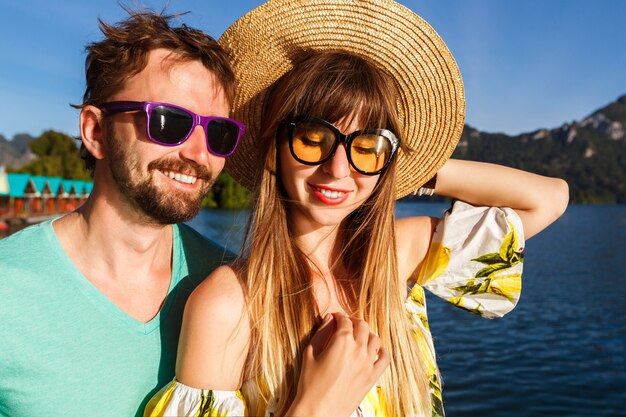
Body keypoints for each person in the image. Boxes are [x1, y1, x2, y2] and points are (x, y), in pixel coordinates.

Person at [145, 0, 569, 416]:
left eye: (366, 146)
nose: (337, 168)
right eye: (313, 139)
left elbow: (548, 199)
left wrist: (399, 173)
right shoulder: (229, 306)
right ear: (273, 150)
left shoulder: (393, 259)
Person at [0, 10, 244, 417]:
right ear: (96, 131)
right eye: (168, 122)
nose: (199, 155)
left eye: (219, 133)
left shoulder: (231, 286)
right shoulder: (9, 292)